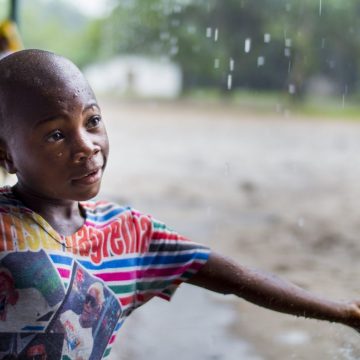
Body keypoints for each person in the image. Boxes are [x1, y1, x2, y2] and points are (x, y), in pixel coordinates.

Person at [0, 49, 359, 359]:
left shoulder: (131, 235)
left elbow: (240, 279)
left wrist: (344, 312)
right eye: (56, 135)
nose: (87, 146)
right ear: (7, 155)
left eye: (92, 121)